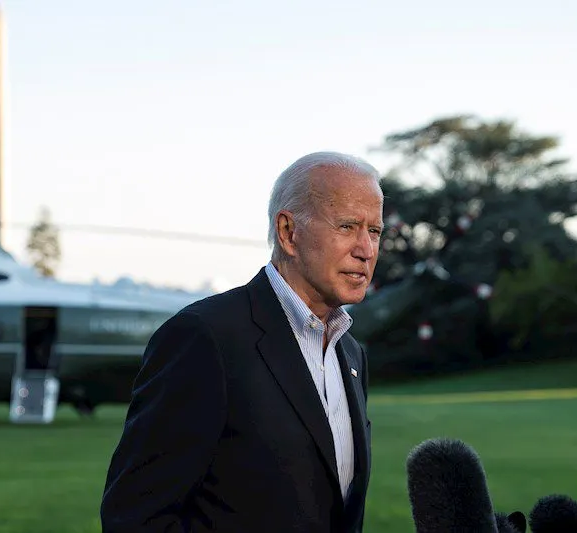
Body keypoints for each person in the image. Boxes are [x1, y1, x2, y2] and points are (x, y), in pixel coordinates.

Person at [100, 151, 383, 533]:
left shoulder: (350, 353)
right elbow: (135, 518)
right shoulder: (204, 338)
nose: (366, 250)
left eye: (375, 231)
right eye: (347, 226)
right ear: (288, 232)